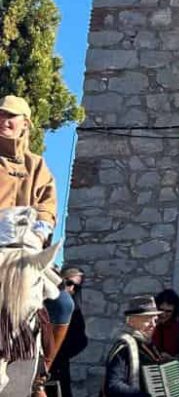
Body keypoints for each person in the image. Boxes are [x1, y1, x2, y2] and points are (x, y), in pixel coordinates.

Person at [0, 94, 75, 386]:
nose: (4, 121)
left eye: (11, 117)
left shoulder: (37, 166)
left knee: (63, 305)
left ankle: (40, 374)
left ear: (25, 125)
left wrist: (39, 232)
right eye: (0, 115)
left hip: (27, 252)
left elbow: (47, 206)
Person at [102, 295, 168, 397]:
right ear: (131, 321)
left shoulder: (148, 346)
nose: (153, 325)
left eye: (154, 320)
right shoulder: (124, 347)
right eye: (147, 319)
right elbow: (113, 386)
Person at [47, 267, 88, 397]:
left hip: (58, 366)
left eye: (77, 287)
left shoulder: (75, 312)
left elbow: (81, 341)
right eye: (69, 283)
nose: (72, 289)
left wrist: (61, 354)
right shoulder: (44, 303)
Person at [150, 288, 179, 362]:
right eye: (161, 310)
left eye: (168, 311)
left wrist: (172, 358)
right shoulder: (148, 327)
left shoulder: (177, 329)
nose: (164, 315)